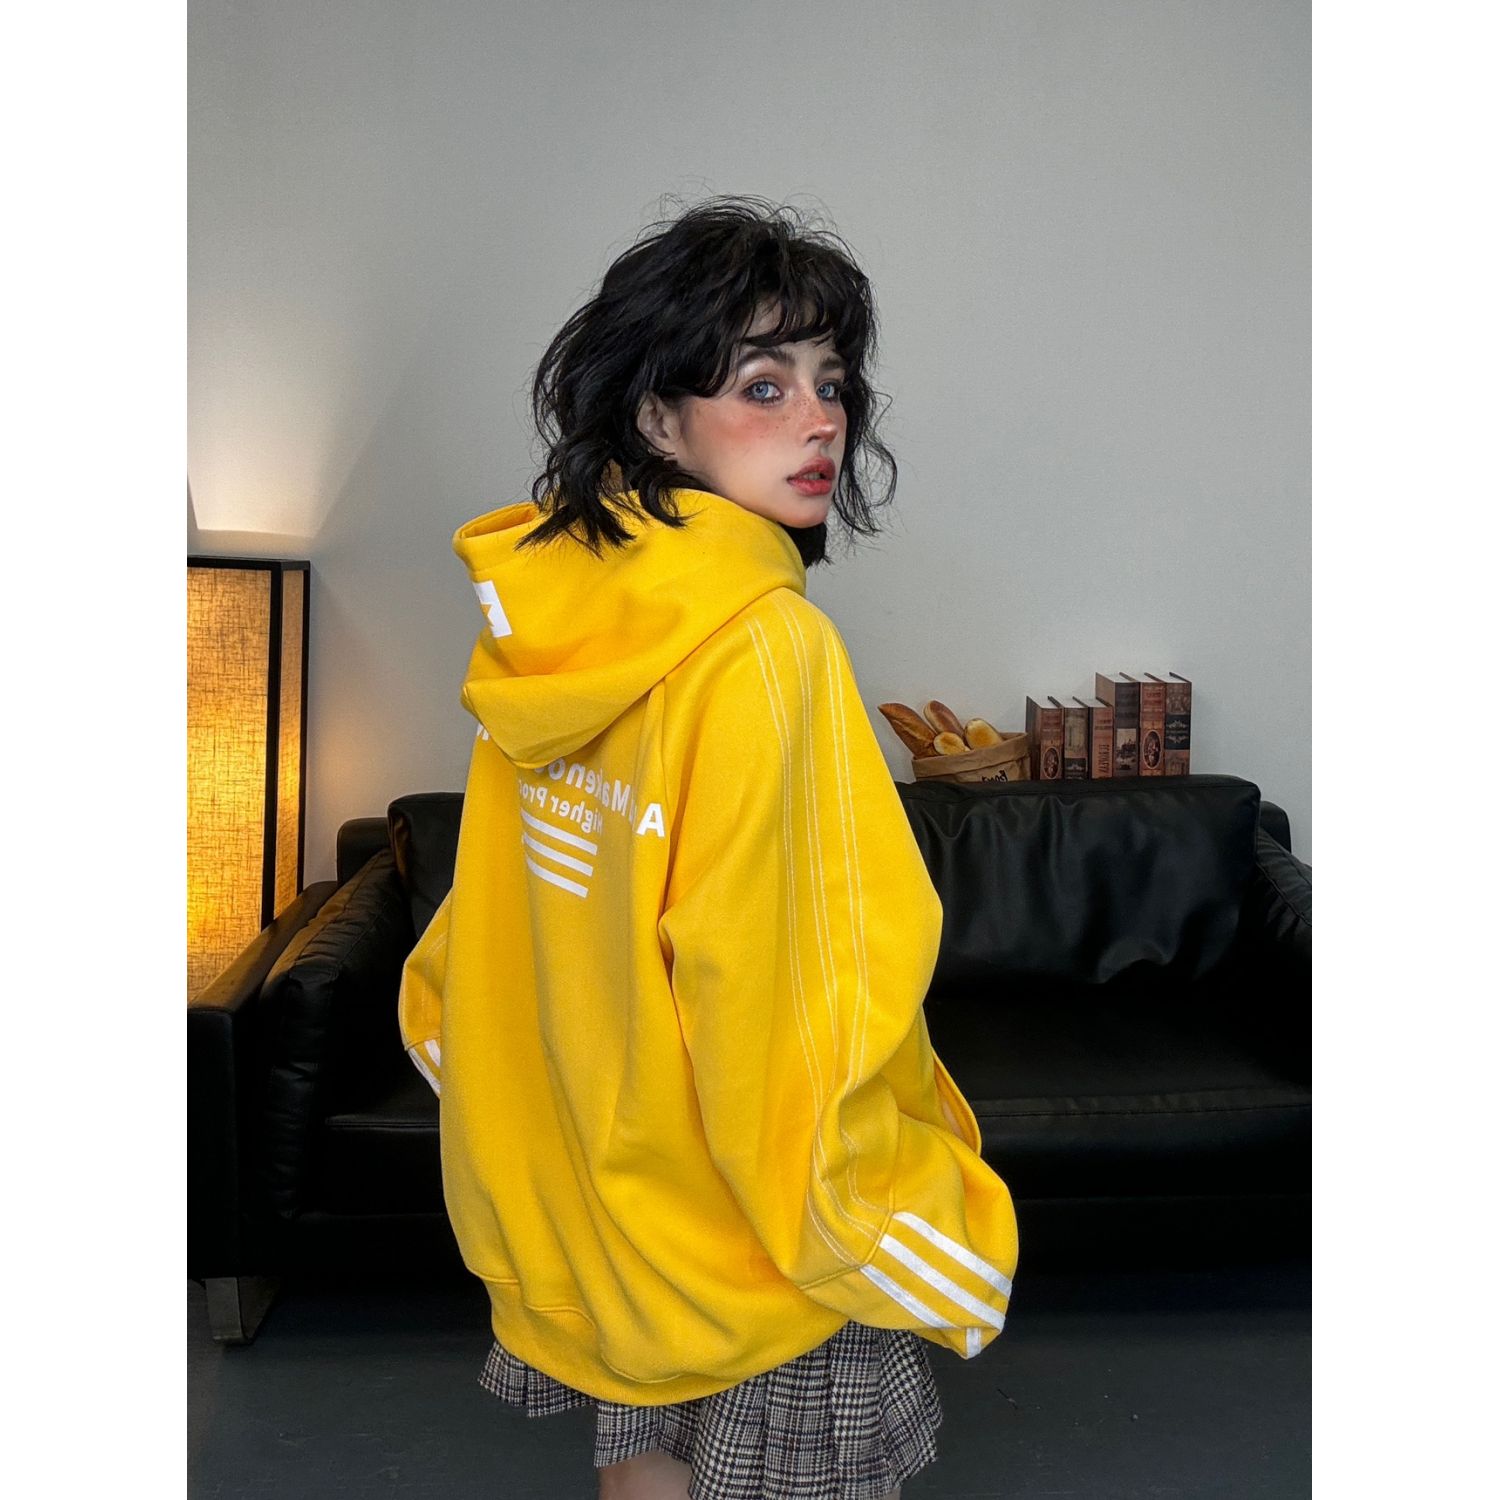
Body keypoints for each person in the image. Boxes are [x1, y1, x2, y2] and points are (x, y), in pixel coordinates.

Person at [398, 195, 1019, 1500]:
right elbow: (791, 993)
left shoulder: (558, 624)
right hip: (754, 1236)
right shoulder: (768, 648)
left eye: (831, 382)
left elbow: (482, 932)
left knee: (644, 1471)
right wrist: (888, 1220)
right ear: (656, 417)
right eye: (762, 383)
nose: (821, 419)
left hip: (604, 1207)